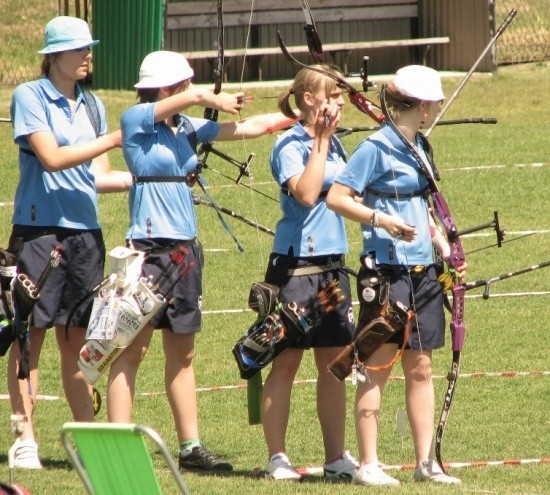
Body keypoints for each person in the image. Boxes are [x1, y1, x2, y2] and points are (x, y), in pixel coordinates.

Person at [108, 50, 300, 472]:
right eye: (181, 85)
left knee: (184, 353)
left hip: (184, 253)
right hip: (148, 251)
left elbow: (248, 126)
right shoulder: (136, 119)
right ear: (166, 88)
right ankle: (118, 446)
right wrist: (200, 96)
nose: (187, 91)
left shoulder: (185, 126)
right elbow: (177, 102)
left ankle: (190, 447)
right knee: (131, 351)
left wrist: (296, 114)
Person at [326, 65, 465, 486]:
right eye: (433, 103)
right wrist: (381, 221)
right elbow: (337, 197)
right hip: (386, 272)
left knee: (420, 367)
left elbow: (423, 205)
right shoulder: (375, 147)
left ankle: (426, 463)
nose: (437, 108)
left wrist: (442, 243)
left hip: (424, 272)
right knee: (377, 365)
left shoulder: (420, 145)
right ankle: (369, 463)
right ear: (421, 106)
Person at [7, 16, 131, 469]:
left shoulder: (94, 105)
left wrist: (155, 179)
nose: (88, 56)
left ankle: (90, 441)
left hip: (85, 236)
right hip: (40, 234)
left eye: (88, 48)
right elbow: (54, 159)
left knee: (80, 342)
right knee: (28, 338)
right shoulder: (29, 96)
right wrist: (116, 137)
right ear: (53, 55)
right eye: (79, 49)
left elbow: (98, 178)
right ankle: (24, 437)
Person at [258, 65, 358, 481]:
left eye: (339, 97)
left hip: (332, 269)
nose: (337, 104)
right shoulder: (292, 145)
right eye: (330, 96)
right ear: (306, 100)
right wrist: (319, 139)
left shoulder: (336, 147)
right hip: (296, 269)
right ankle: (277, 456)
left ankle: (336, 456)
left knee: (335, 364)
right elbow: (305, 192)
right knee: (285, 363)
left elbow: (352, 193)